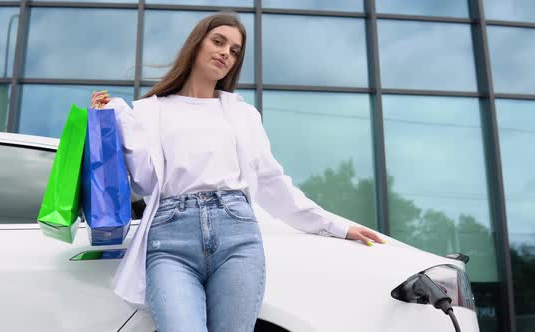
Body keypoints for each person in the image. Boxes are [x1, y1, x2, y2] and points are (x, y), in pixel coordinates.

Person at [90, 11, 384, 332]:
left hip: (237, 238)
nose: (225, 54)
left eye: (234, 51)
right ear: (196, 44)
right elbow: (145, 181)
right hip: (171, 240)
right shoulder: (151, 111)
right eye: (218, 42)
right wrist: (112, 119)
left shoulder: (243, 115)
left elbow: (274, 184)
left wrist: (336, 226)